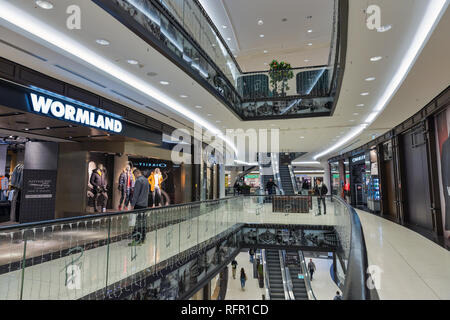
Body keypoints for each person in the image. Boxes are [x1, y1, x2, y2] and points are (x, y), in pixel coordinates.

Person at [129, 169, 150, 246]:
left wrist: (132, 205)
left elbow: (136, 194)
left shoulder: (138, 181)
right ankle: (143, 238)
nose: (135, 177)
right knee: (143, 222)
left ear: (137, 173)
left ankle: (137, 239)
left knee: (137, 222)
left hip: (138, 205)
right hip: (144, 204)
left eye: (135, 175)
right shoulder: (146, 180)